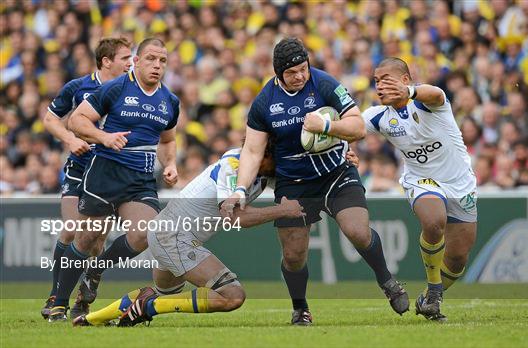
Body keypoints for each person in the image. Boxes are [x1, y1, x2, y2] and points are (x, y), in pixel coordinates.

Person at [223, 38, 409, 325]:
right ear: (278, 73)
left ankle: (388, 282)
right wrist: (238, 189)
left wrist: (325, 126)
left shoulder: (324, 83)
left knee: (358, 231)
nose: (300, 76)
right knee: (294, 255)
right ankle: (300, 308)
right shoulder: (263, 102)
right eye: (291, 72)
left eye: (303, 68)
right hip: (294, 184)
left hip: (336, 173)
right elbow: (252, 150)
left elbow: (358, 127)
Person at [72, 145, 361, 327]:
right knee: (233, 295)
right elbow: (233, 217)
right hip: (172, 235)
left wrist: (343, 160)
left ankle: (90, 319)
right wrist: (280, 211)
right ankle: (148, 308)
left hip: (166, 234)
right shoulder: (234, 167)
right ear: (265, 154)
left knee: (161, 291)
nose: (284, 163)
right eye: (279, 156)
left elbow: (306, 175)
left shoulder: (260, 169)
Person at [48, 38, 179, 322]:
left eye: (163, 61)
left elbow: (168, 140)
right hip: (105, 173)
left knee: (146, 234)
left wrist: (170, 164)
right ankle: (59, 303)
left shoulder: (170, 100)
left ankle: (96, 271)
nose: (157, 65)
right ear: (137, 60)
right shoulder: (115, 88)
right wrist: (104, 137)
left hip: (141, 180)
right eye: (151, 59)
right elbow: (77, 121)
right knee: (86, 239)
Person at [362, 57, 477, 321]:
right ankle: (435, 291)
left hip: (459, 182)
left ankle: (428, 298)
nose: (379, 86)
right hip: (421, 180)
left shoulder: (426, 102)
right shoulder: (378, 116)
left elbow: (436, 93)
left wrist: (410, 92)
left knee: (458, 257)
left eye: (386, 79)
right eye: (376, 81)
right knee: (434, 221)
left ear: (405, 79)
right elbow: (353, 127)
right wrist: (343, 146)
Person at [41, 37, 132, 319]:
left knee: (97, 239)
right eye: (126, 58)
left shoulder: (131, 89)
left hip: (108, 170)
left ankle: (84, 301)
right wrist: (70, 138)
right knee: (71, 228)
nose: (132, 63)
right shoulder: (78, 87)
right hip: (80, 166)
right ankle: (57, 296)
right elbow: (50, 119)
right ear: (106, 61)